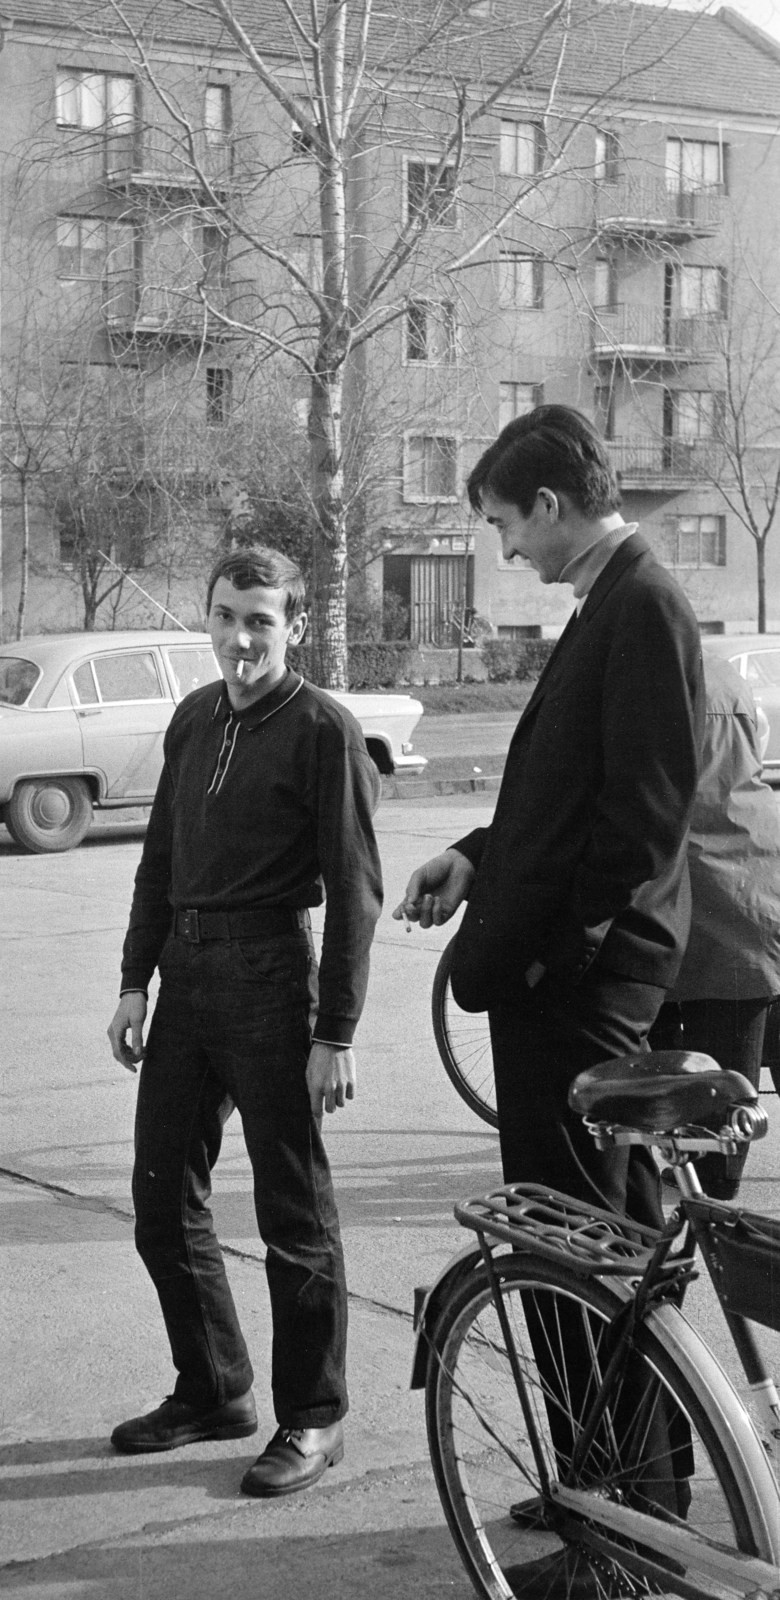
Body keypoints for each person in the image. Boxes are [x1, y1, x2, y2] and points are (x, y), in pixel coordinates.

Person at [396, 406, 703, 1598]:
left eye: (503, 526)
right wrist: (478, 851)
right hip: (559, 987)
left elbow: (638, 824)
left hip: (580, 998)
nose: (504, 551)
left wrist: (544, 962)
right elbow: (560, 798)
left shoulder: (644, 606)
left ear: (552, 506)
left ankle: (638, 1512)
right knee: (563, 1249)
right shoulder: (610, 605)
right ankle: (594, 1472)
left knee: (598, 1258)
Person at [107, 545, 383, 1498]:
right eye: (226, 616)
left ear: (294, 627)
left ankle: (314, 1419)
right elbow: (158, 857)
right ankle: (213, 1386)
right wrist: (134, 980)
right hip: (184, 979)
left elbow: (353, 894)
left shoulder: (323, 731)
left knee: (292, 1216)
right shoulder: (194, 719)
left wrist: (334, 1033)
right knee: (159, 1201)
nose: (239, 638)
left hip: (273, 980)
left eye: (261, 620)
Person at [648, 650, 780, 1198]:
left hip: (710, 886)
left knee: (720, 1054)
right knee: (754, 1025)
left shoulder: (661, 683)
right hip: (761, 861)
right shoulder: (726, 676)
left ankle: (714, 1182)